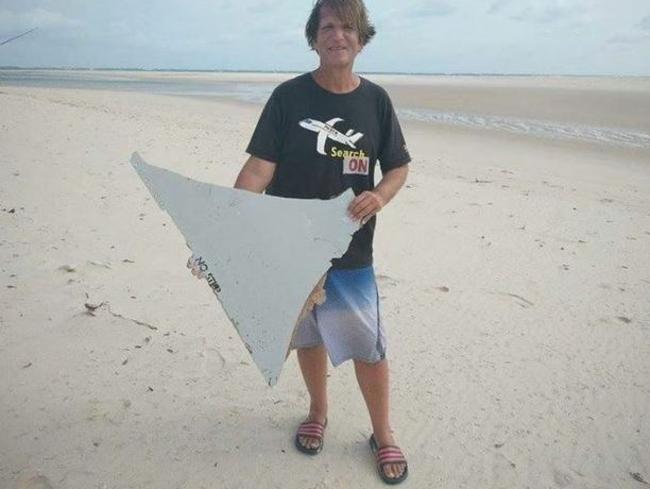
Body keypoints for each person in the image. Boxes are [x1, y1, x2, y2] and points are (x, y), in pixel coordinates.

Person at [192, 0, 410, 483]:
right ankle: (318, 410)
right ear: (313, 39)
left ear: (362, 38)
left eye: (347, 27)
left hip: (350, 251)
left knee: (368, 347)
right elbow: (257, 169)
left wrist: (379, 195)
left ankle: (384, 432)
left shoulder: (376, 102)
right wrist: (225, 229)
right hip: (288, 248)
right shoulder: (288, 98)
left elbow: (398, 166)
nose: (338, 35)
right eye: (327, 26)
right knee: (310, 334)